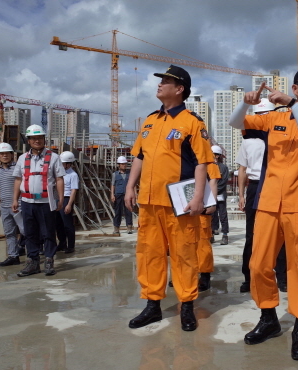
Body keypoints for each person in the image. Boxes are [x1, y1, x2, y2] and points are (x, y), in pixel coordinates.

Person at [229, 64, 298, 361]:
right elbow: (235, 122)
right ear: (296, 89)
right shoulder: (273, 119)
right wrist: (244, 103)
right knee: (259, 264)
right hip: (268, 202)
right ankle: (269, 318)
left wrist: (292, 107)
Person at [124, 65, 214, 332]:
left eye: (166, 81)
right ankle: (152, 305)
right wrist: (130, 187)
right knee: (149, 253)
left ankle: (186, 306)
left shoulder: (192, 122)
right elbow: (139, 157)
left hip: (179, 203)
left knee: (184, 254)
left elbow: (202, 163)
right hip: (149, 201)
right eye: (160, 81)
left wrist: (198, 197)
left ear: (180, 89)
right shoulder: (149, 121)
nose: (159, 84)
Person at [237, 98, 287, 294]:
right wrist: (241, 195)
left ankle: (282, 278)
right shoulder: (248, 142)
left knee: (280, 234)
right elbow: (242, 170)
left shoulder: (280, 138)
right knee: (252, 234)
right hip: (256, 185)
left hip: (275, 185)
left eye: (266, 115)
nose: (263, 118)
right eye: (260, 115)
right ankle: (248, 278)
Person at [13, 124, 65, 277]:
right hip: (27, 202)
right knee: (30, 233)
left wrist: (60, 199)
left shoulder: (53, 157)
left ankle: (49, 260)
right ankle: (33, 261)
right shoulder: (22, 158)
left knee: (48, 232)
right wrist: (15, 199)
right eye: (34, 138)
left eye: (40, 138)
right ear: (28, 141)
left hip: (46, 202)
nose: (37, 141)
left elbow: (59, 179)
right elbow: (17, 180)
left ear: (44, 139)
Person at [0, 142, 25, 267]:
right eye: (2, 153)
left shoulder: (18, 168)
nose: (4, 155)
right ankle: (13, 256)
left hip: (19, 205)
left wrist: (17, 201)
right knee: (9, 233)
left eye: (7, 153)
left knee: (26, 230)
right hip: (5, 207)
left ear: (12, 155)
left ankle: (35, 252)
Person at [197, 158, 219, 292]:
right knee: (182, 243)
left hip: (202, 207)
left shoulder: (209, 161)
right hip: (183, 207)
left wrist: (212, 202)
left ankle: (204, 275)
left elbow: (213, 180)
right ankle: (183, 274)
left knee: (203, 244)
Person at [55, 151, 79, 254]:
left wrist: (69, 204)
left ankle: (71, 246)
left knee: (67, 224)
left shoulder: (73, 175)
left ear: (69, 163)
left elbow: (74, 190)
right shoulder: (59, 173)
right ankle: (62, 243)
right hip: (57, 199)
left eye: (63, 163)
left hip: (66, 199)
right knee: (58, 224)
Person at [210, 145, 229, 245]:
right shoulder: (208, 166)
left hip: (220, 194)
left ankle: (225, 235)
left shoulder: (223, 168)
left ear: (217, 156)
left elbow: (223, 182)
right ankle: (212, 233)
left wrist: (215, 191)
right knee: (212, 214)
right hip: (210, 195)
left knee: (222, 215)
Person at [111, 156, 133, 235]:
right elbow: (113, 185)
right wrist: (112, 195)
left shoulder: (129, 174)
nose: (124, 165)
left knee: (128, 211)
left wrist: (134, 195)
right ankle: (116, 228)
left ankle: (129, 227)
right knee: (118, 212)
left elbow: (133, 185)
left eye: (125, 164)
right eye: (122, 164)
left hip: (127, 195)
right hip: (118, 195)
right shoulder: (115, 174)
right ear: (119, 165)